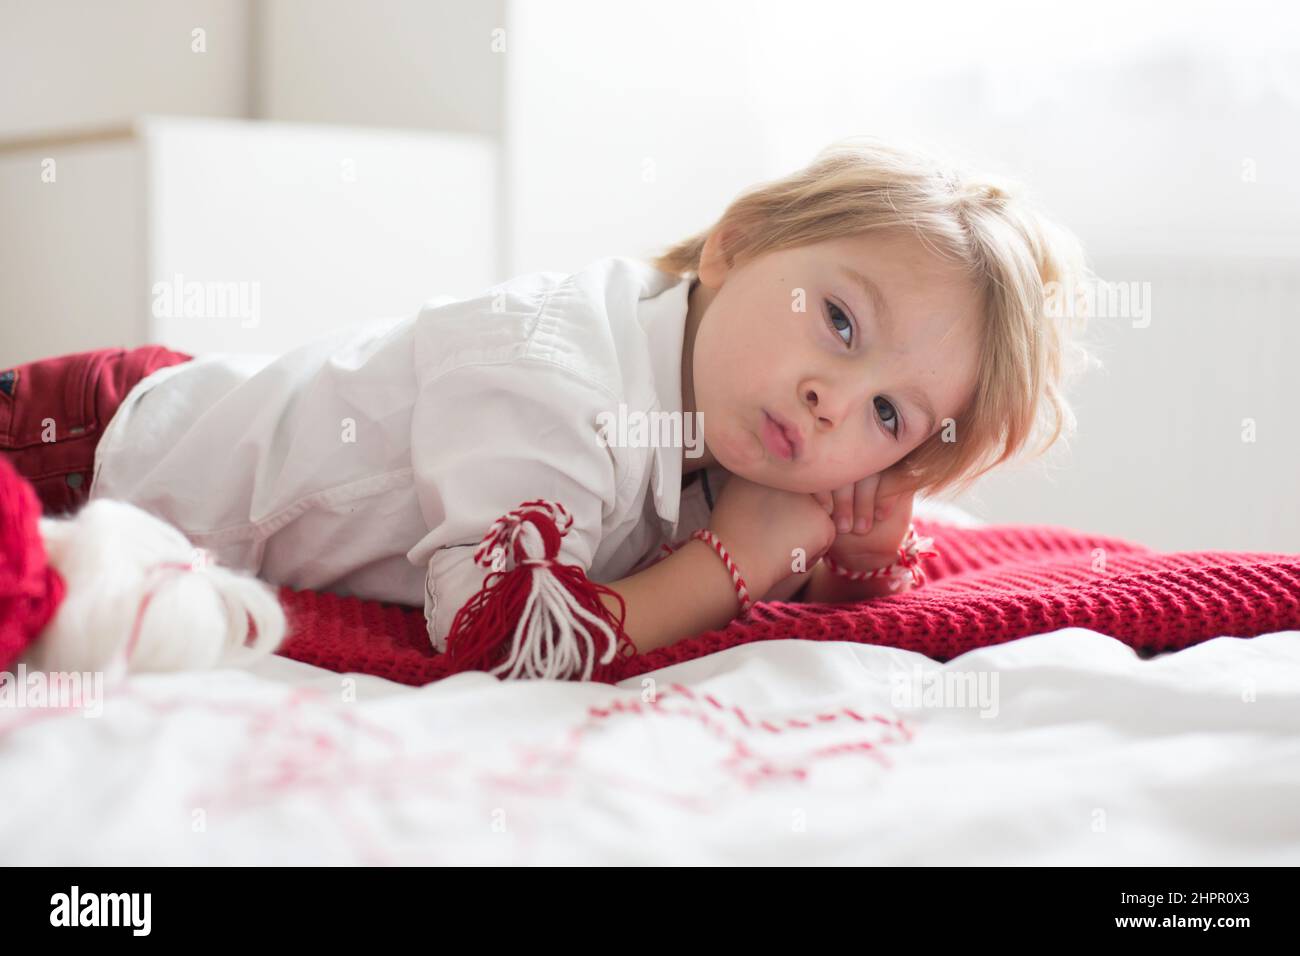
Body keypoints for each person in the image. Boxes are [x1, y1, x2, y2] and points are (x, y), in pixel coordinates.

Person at [0, 137, 1093, 679]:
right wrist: (734, 561)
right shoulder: (557, 379)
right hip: (94, 452)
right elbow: (502, 633)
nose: (834, 399)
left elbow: (773, 553)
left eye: (891, 418)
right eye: (840, 323)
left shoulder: (729, 414)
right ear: (739, 241)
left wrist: (846, 555)